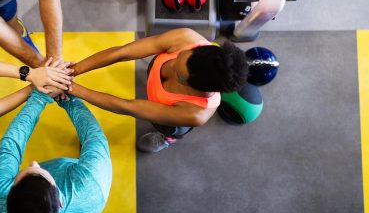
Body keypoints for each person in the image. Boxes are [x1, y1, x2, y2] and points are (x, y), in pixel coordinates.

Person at [68, 28, 249, 153]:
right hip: (157, 84)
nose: (171, 65)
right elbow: (121, 53)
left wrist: (74, 89)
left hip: (170, 119)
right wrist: (73, 70)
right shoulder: (186, 38)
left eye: (178, 74)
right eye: (177, 58)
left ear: (194, 86)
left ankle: (166, 139)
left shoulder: (195, 113)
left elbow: (127, 107)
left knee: (172, 131)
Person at [0, 90, 111, 213]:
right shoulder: (92, 185)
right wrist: (69, 100)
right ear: (60, 201)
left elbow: (10, 148)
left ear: (8, 200)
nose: (34, 163)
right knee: (90, 147)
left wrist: (39, 98)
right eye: (41, 172)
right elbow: (94, 137)